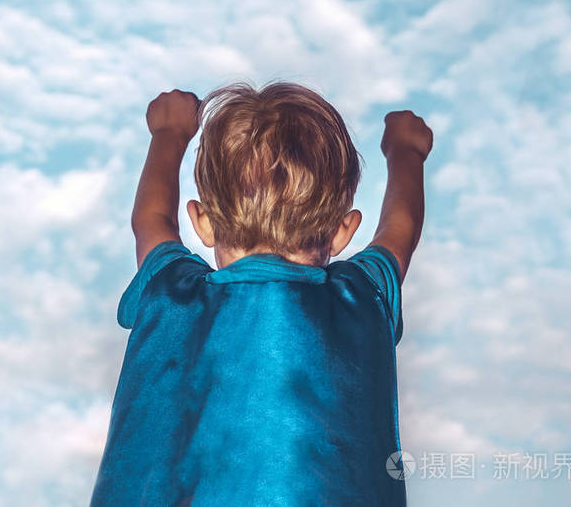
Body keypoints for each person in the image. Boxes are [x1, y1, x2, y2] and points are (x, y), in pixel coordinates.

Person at [89, 80, 432, 506]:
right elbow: (401, 230)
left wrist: (169, 134)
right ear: (344, 231)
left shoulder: (172, 290)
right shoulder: (361, 297)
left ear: (202, 219)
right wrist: (406, 152)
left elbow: (152, 220)